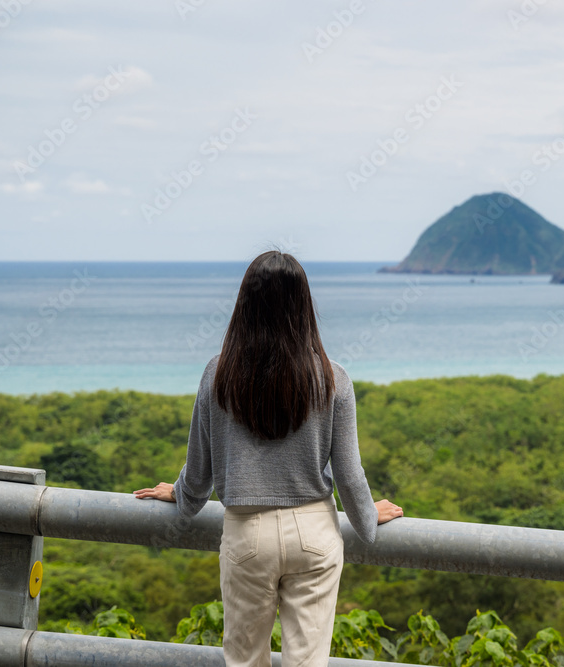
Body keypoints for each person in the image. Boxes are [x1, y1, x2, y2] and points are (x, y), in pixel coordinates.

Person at [134, 250, 402, 667]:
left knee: (244, 661)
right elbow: (349, 474)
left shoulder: (217, 373)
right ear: (304, 306)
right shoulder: (333, 377)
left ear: (244, 305)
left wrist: (181, 495)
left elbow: (200, 469)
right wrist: (368, 518)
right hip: (315, 531)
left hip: (246, 533)